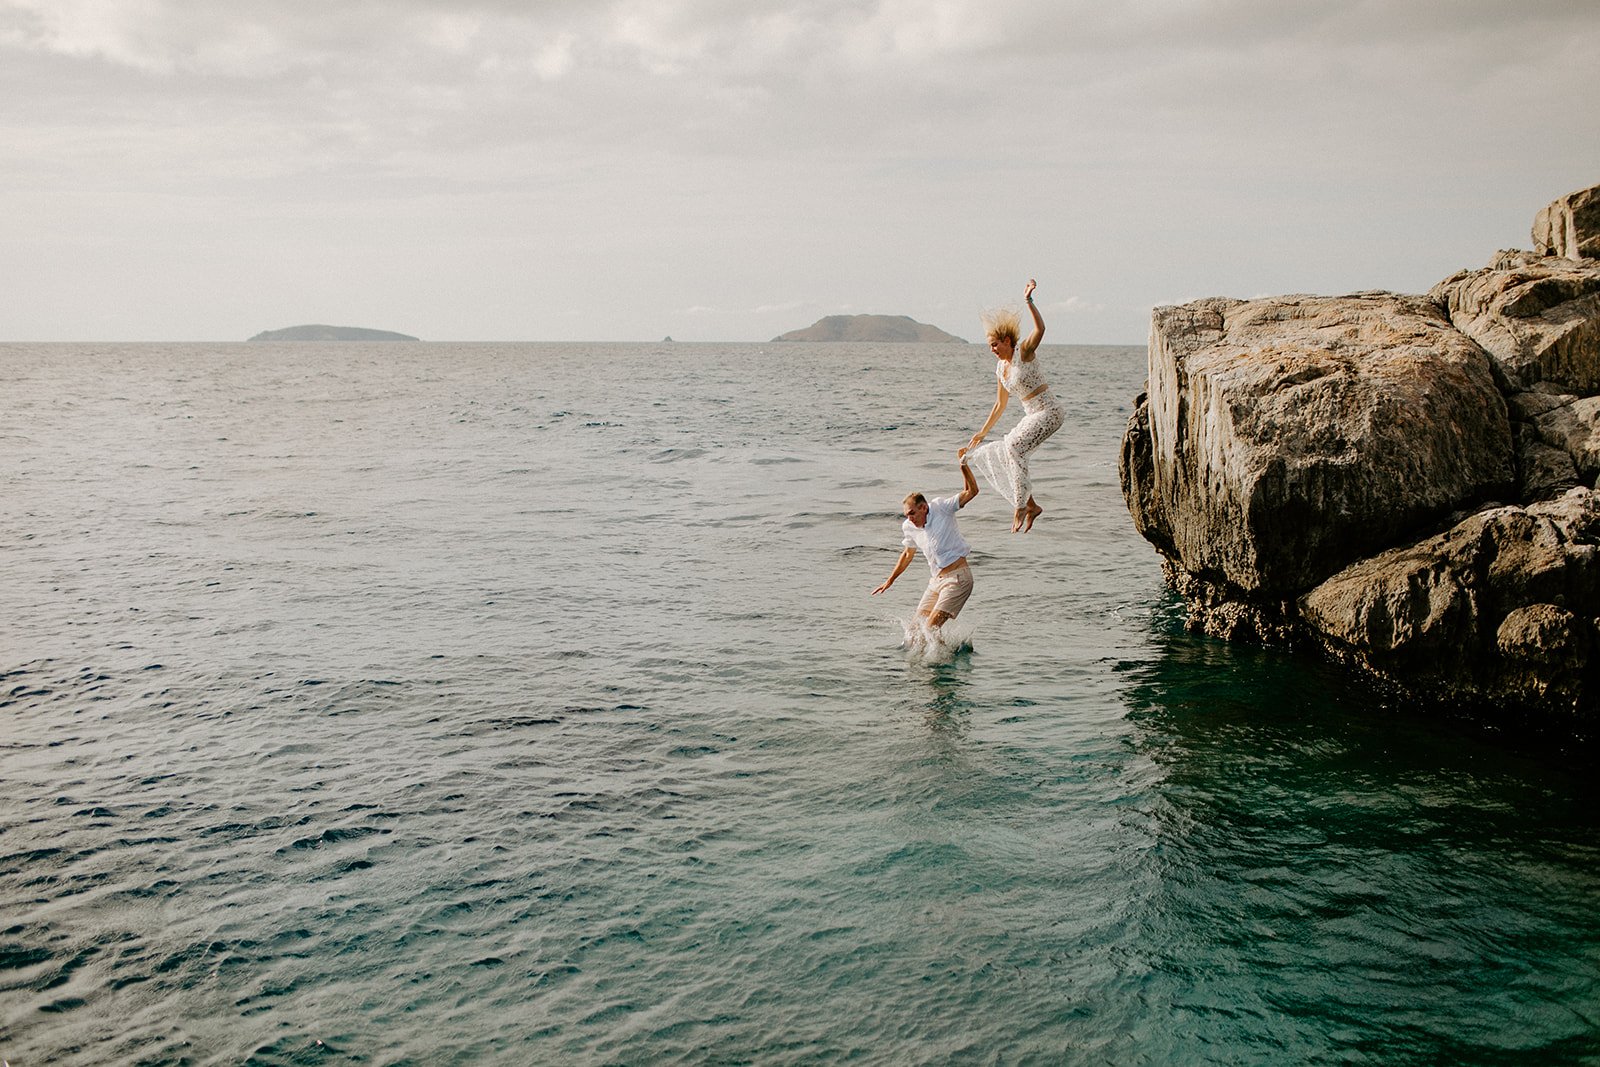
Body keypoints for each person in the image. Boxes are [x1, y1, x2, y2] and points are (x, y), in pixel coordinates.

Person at [959, 278, 1065, 533]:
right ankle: (1032, 505)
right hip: (1031, 415)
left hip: (1049, 412)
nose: (992, 349)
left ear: (1007, 341)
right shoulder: (1000, 369)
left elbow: (1040, 329)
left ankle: (1019, 505)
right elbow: (999, 404)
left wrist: (1029, 301)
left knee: (1015, 448)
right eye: (989, 346)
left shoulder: (1024, 353)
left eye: (995, 344)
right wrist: (982, 432)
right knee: (1008, 452)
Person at [871, 458, 980, 633]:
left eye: (912, 513)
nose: (910, 518)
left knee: (930, 629)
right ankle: (945, 652)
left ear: (923, 507)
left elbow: (972, 491)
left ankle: (942, 658)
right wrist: (890, 580)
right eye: (906, 515)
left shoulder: (941, 508)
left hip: (958, 579)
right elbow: (907, 554)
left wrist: (963, 467)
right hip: (936, 582)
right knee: (914, 631)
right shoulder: (909, 527)